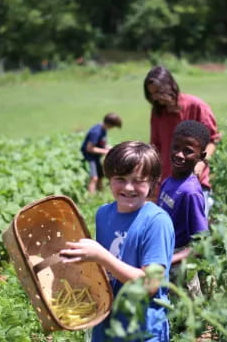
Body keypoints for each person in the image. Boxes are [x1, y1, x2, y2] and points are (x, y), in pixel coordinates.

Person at [60, 141, 175, 342]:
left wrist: (101, 256)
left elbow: (150, 285)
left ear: (153, 182)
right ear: (109, 179)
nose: (129, 187)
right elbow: (104, 272)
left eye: (138, 180)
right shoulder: (103, 214)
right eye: (120, 179)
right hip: (106, 325)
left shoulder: (157, 222)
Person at [144, 66, 221, 216]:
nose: (155, 98)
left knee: (196, 232)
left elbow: (212, 140)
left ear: (170, 86)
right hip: (167, 182)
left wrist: (201, 163)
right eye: (151, 94)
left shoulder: (196, 106)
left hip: (194, 181)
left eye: (158, 92)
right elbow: (155, 146)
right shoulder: (158, 112)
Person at [157, 120, 210, 297]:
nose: (179, 154)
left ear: (201, 156)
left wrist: (176, 259)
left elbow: (201, 241)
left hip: (180, 261)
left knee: (191, 312)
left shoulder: (190, 193)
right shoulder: (168, 182)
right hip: (164, 253)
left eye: (188, 151)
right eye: (176, 147)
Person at [81, 113, 122, 194]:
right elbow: (89, 148)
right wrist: (106, 151)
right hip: (90, 157)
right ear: (110, 124)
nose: (112, 128)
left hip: (96, 157)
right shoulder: (96, 132)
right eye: (113, 126)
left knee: (100, 176)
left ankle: (100, 194)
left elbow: (101, 144)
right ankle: (91, 197)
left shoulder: (103, 130)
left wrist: (110, 147)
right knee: (94, 178)